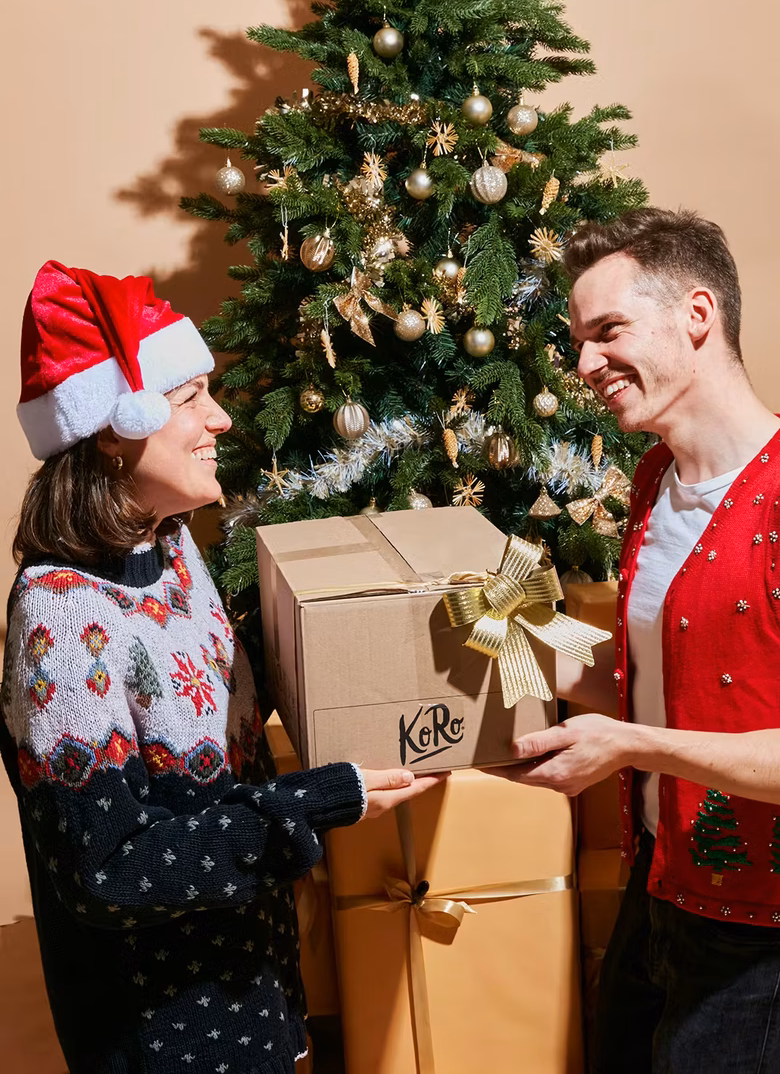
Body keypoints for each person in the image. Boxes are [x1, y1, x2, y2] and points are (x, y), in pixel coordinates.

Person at [0, 260, 441, 1074]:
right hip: (167, 1034)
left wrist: (383, 630)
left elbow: (215, 710)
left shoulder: (171, 550)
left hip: (253, 991)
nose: (222, 421)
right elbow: (110, 868)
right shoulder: (62, 618)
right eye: (190, 397)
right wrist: (311, 802)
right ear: (113, 427)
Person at [491, 208, 780, 1073]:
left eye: (607, 331)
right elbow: (661, 675)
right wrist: (510, 636)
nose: (583, 364)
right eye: (579, 340)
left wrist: (627, 748)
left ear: (698, 315)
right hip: (656, 885)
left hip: (759, 934)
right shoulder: (654, 480)